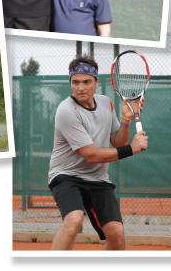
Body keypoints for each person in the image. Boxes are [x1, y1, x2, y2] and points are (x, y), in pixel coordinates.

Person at [48, 56, 148, 250]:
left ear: (96, 82)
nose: (81, 88)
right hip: (66, 175)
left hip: (98, 179)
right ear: (70, 83)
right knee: (74, 219)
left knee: (116, 233)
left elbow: (118, 141)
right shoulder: (66, 110)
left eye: (86, 82)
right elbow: (91, 155)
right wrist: (132, 149)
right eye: (75, 83)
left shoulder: (106, 103)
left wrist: (126, 120)